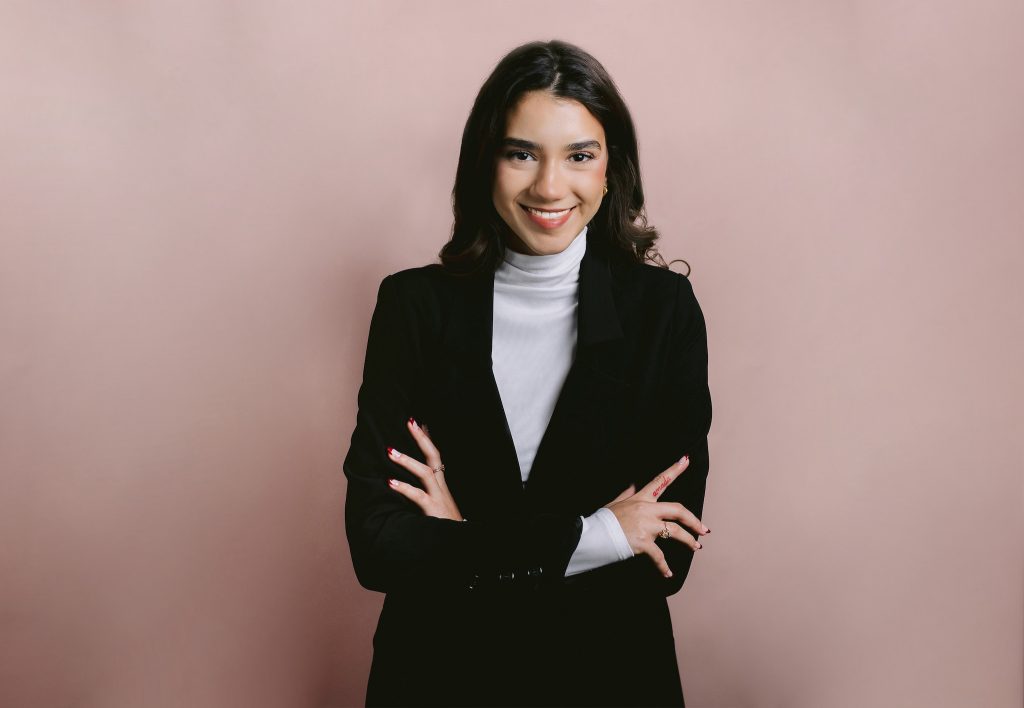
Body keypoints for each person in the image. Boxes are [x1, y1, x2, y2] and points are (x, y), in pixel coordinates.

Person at [343, 39, 713, 708]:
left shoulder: (662, 314)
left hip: (608, 682)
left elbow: (664, 561)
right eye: (521, 153)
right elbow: (378, 545)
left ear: (611, 169)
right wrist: (599, 533)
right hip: (435, 682)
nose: (548, 186)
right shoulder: (413, 308)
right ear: (483, 162)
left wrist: (458, 542)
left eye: (579, 155)